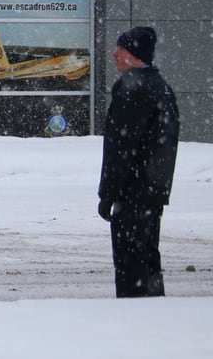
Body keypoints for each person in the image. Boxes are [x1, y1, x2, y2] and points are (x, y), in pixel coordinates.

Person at [98, 26, 180, 298]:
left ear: (133, 54)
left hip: (132, 191)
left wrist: (108, 194)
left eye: (120, 48)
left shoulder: (133, 89)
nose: (114, 53)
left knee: (130, 265)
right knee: (148, 257)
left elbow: (120, 148)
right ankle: (155, 309)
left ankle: (135, 319)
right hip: (152, 191)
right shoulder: (162, 87)